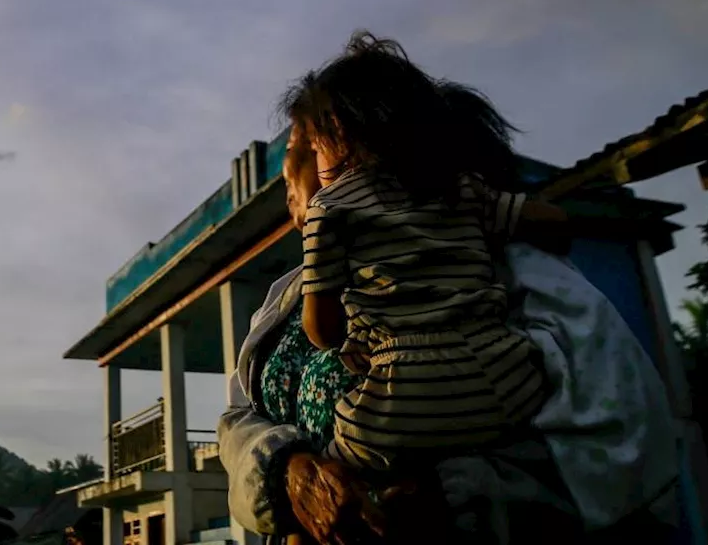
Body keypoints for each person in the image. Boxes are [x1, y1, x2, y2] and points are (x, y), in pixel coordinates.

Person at [219, 77, 680, 543]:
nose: (287, 167)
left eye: (303, 144)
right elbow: (238, 420)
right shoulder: (288, 295)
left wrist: (452, 500)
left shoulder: (510, 275)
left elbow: (620, 455)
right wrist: (288, 473)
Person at [282, 32, 610, 472]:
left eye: (313, 146)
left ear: (338, 134)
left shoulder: (331, 209)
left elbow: (321, 329)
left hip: (404, 392)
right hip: (507, 378)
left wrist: (350, 331)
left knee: (338, 473)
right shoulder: (462, 190)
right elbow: (554, 222)